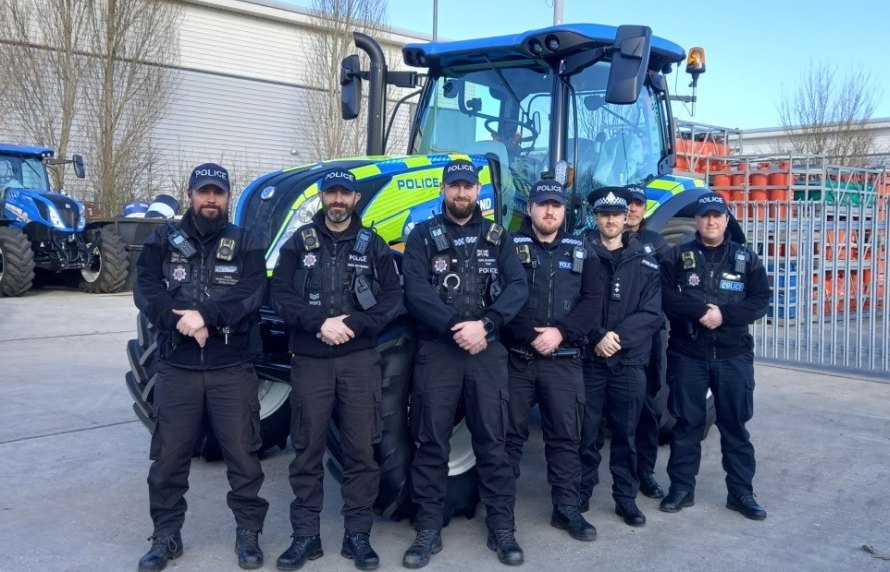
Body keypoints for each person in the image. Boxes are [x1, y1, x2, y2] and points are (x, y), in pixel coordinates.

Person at [134, 162, 268, 572]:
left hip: (231, 367)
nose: (211, 199)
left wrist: (206, 316)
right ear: (190, 194)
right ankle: (165, 535)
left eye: (218, 192)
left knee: (243, 456)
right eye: (204, 191)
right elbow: (145, 288)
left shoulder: (245, 241)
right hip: (177, 367)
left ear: (228, 197)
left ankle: (248, 534)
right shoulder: (163, 240)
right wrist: (181, 321)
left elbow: (253, 292)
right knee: (169, 459)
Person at [269, 168, 403, 571]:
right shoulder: (298, 244)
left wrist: (352, 325)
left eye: (345, 194)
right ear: (323, 198)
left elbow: (392, 299)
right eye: (332, 194)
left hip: (359, 360)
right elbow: (280, 294)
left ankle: (357, 536)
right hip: (311, 360)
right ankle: (305, 537)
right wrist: (317, 323)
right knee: (306, 449)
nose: (338, 200)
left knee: (361, 450)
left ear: (355, 199)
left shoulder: (374, 246)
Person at [401, 158, 528, 568]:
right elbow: (416, 290)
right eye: (454, 186)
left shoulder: (499, 237)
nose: (461, 193)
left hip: (486, 351)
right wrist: (457, 325)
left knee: (493, 441)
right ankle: (427, 528)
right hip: (439, 350)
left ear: (478, 192)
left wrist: (486, 325)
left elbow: (517, 287)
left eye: (468, 187)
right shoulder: (421, 236)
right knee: (431, 441)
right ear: (442, 190)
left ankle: (502, 527)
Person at [659, 192, 771, 520]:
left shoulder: (746, 258)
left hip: (733, 357)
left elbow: (760, 300)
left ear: (726, 219)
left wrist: (724, 315)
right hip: (688, 356)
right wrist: (699, 312)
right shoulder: (676, 256)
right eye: (705, 215)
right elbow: (665, 297)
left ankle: (741, 493)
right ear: (697, 220)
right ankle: (681, 488)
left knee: (734, 426)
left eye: (717, 216)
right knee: (687, 425)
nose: (711, 221)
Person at [502, 180, 602, 542]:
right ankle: (501, 516)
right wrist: (531, 334)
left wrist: (560, 333)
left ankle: (567, 509)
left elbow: (592, 300)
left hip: (564, 358)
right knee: (508, 439)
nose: (549, 211)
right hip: (519, 358)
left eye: (556, 206)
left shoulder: (582, 249)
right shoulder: (508, 246)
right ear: (529, 209)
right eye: (542, 204)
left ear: (564, 211)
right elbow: (496, 297)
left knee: (565, 439)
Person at [579, 186, 663, 528]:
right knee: (586, 434)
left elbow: (653, 312)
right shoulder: (581, 256)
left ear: (625, 216)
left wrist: (618, 339)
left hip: (628, 363)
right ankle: (581, 491)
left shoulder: (645, 260)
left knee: (627, 436)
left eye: (616, 213)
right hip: (589, 360)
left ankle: (625, 499)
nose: (611, 219)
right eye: (604, 214)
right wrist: (597, 336)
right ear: (595, 218)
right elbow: (571, 305)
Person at [624, 184, 670, 499]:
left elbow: (669, 291)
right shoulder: (596, 239)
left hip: (646, 341)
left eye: (637, 204)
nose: (631, 209)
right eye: (626, 203)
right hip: (608, 340)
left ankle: (645, 473)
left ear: (645, 209)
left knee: (646, 410)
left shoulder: (657, 244)